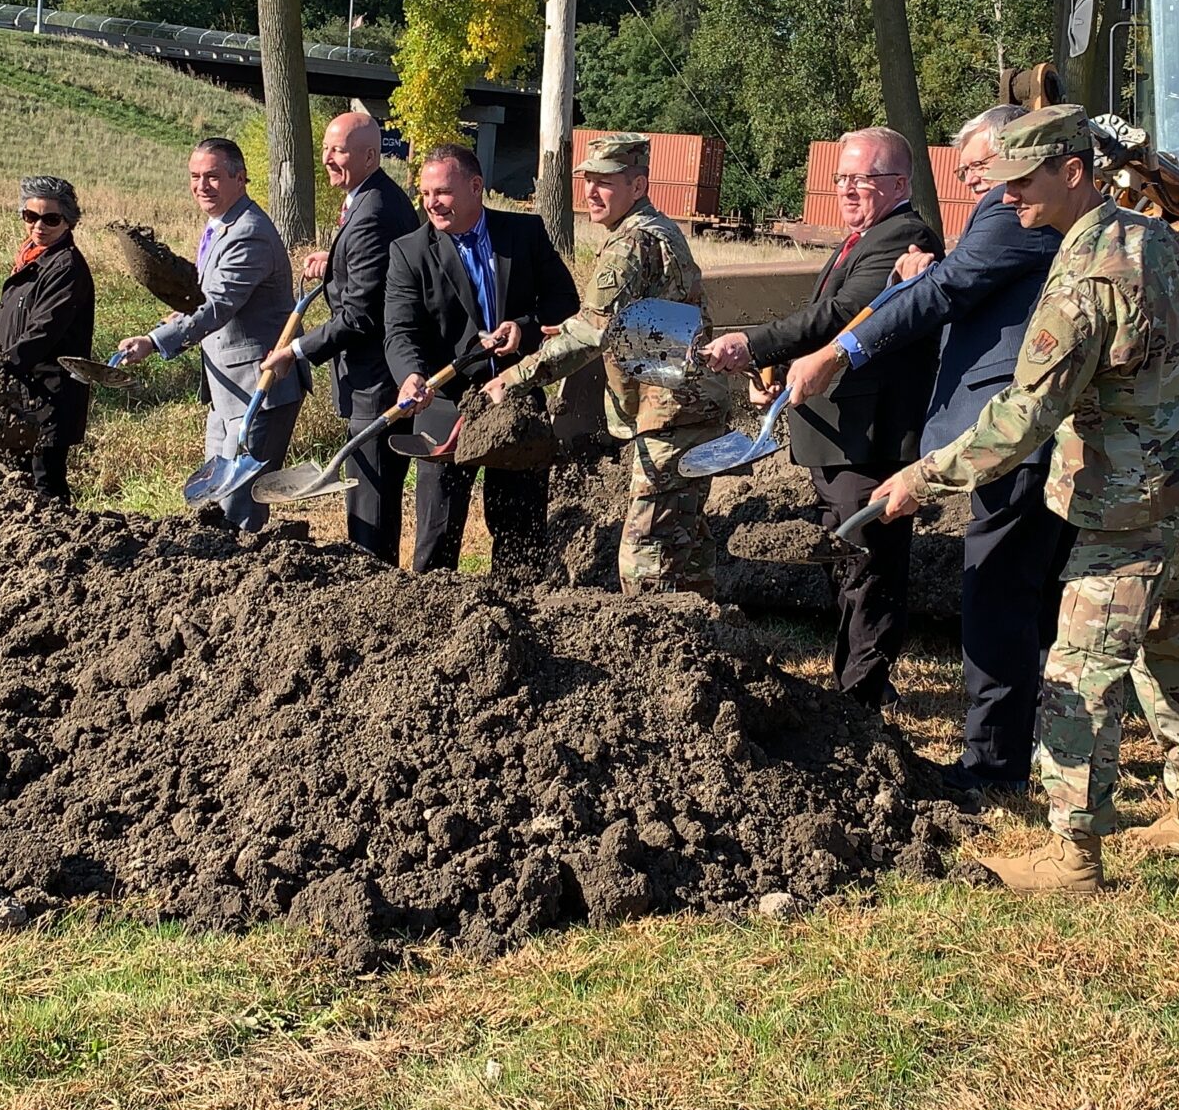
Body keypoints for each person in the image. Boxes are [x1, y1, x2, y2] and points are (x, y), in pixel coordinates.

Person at [865, 105, 1179, 895]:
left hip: (1131, 501)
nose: (1008, 200)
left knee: (1078, 672)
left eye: (1023, 183)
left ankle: (1071, 855)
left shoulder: (1081, 280)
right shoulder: (1156, 239)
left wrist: (920, 479)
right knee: (1173, 646)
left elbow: (1021, 417)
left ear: (1073, 172)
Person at [783, 105, 1072, 791]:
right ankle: (1033, 749)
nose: (977, 182)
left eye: (979, 166)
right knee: (1026, 596)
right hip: (1014, 431)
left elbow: (947, 291)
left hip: (1015, 432)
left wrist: (841, 350)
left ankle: (992, 768)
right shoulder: (1014, 213)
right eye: (970, 171)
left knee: (998, 594)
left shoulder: (1011, 212)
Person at [701, 126, 943, 707]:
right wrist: (781, 376)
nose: (847, 189)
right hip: (837, 433)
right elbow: (835, 326)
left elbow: (840, 314)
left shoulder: (902, 235)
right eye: (841, 178)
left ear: (899, 183)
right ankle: (855, 684)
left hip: (868, 436)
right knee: (848, 566)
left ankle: (861, 695)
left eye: (863, 178)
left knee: (870, 566)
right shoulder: (863, 237)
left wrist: (754, 344)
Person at [489, 133, 736, 594]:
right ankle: (703, 639)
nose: (590, 192)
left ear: (637, 186)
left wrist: (515, 377)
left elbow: (593, 333)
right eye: (587, 181)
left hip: (671, 413)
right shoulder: (658, 229)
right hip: (692, 406)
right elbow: (646, 319)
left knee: (646, 556)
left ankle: (659, 649)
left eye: (604, 182)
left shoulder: (630, 243)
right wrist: (575, 331)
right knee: (685, 539)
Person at [384, 143, 579, 576]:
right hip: (445, 406)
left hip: (516, 400)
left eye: (443, 192)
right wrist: (411, 375)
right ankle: (435, 619)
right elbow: (400, 330)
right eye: (426, 193)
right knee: (438, 531)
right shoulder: (409, 251)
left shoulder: (524, 234)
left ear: (476, 187)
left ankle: (518, 616)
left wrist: (524, 329)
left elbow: (565, 302)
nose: (432, 202)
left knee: (520, 529)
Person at [114, 137, 307, 531]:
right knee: (216, 499)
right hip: (227, 390)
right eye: (195, 177)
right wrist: (174, 320)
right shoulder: (220, 224)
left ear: (241, 179)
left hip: (261, 387)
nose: (202, 185)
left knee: (241, 506)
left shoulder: (248, 233)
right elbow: (211, 298)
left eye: (213, 177)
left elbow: (217, 306)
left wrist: (154, 341)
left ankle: (244, 582)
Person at [260, 111, 420, 561]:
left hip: (376, 379)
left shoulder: (373, 211)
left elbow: (359, 316)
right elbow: (372, 273)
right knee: (370, 493)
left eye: (339, 151)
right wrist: (332, 263)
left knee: (370, 499)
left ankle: (371, 588)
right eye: (327, 148)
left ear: (370, 155)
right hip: (373, 374)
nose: (328, 158)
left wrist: (294, 350)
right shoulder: (369, 197)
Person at [0, 175, 96, 500]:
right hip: (22, 390)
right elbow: (28, 315)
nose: (39, 226)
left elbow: (44, 330)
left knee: (45, 485)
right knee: (19, 483)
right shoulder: (33, 258)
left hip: (50, 396)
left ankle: (61, 546)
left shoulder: (65, 267)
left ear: (68, 221)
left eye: (50, 218)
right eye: (30, 216)